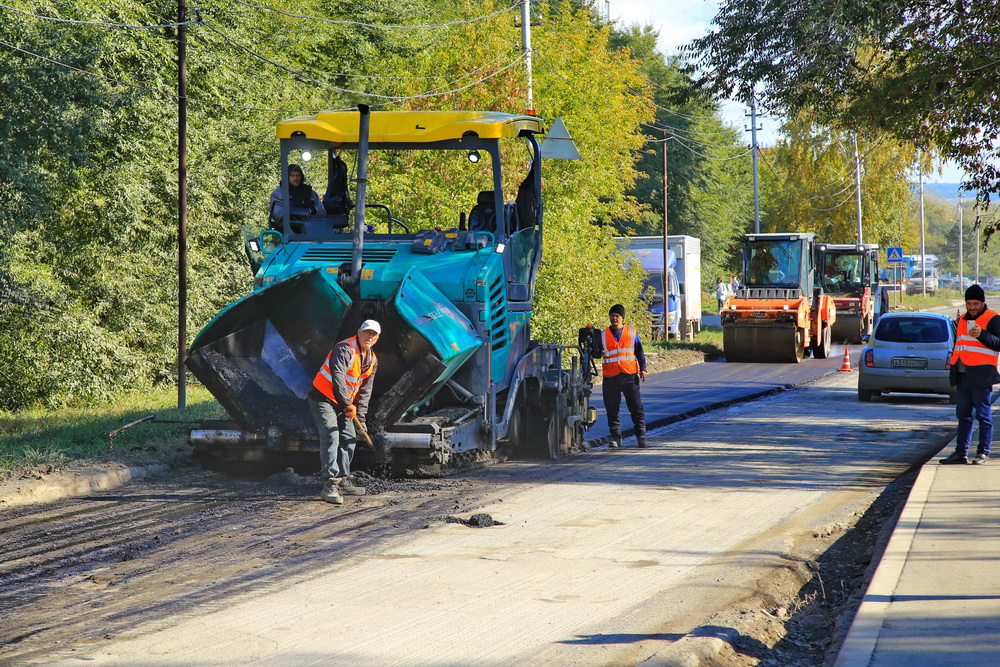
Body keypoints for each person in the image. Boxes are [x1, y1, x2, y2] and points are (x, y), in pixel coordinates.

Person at [308, 319, 380, 503]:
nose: (369, 336)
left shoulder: (372, 360)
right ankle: (330, 485)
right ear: (359, 332)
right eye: (366, 332)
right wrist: (347, 404)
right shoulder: (345, 349)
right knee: (331, 435)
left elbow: (365, 392)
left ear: (377, 338)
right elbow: (338, 376)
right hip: (323, 398)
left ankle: (343, 479)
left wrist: (360, 417)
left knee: (349, 438)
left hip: (343, 403)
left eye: (373, 334)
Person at [942, 284, 1000, 465]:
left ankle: (983, 453)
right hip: (963, 374)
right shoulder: (962, 319)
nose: (972, 307)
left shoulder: (993, 318)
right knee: (963, 416)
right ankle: (961, 454)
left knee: (983, 416)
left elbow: (998, 344)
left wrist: (982, 334)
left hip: (982, 375)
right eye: (969, 303)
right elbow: (960, 345)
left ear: (983, 303)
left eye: (976, 304)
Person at [598, 304, 648, 448]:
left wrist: (643, 369)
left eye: (617, 316)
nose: (614, 318)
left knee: (636, 407)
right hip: (611, 376)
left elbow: (639, 351)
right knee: (612, 408)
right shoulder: (603, 334)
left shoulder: (631, 332)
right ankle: (615, 437)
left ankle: (641, 436)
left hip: (629, 375)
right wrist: (598, 351)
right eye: (612, 316)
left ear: (622, 317)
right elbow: (597, 351)